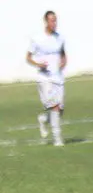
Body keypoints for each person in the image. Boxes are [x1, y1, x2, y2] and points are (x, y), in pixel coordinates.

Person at [27, 10, 67, 147]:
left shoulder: (60, 38)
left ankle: (44, 119)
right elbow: (28, 57)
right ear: (46, 22)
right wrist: (38, 64)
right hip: (44, 78)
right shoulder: (37, 38)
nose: (54, 23)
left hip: (58, 77)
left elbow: (63, 54)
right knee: (55, 106)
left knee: (60, 109)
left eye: (55, 20)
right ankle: (58, 139)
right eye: (51, 20)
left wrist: (63, 62)